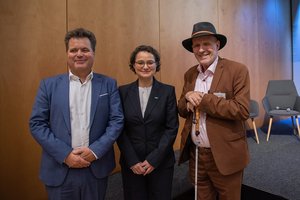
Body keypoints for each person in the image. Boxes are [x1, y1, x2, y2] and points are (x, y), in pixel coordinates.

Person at [29, 28, 124, 200]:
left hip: (95, 167)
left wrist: (95, 151)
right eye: (74, 50)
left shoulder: (109, 84)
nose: (79, 54)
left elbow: (116, 121)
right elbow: (37, 124)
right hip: (60, 169)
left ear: (93, 53)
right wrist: (65, 155)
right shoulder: (48, 85)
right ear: (67, 53)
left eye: (85, 50)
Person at [178, 22, 250, 200]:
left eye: (206, 44)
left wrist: (203, 99)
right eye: (196, 45)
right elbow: (180, 108)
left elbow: (241, 110)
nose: (201, 49)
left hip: (225, 155)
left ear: (217, 45)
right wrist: (187, 100)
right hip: (197, 155)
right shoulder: (190, 74)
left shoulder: (237, 70)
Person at [117, 45, 179, 200]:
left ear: (157, 65)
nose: (145, 66)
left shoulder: (167, 91)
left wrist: (153, 160)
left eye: (150, 62)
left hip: (161, 162)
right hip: (132, 164)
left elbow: (171, 128)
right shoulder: (122, 92)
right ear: (133, 65)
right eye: (140, 62)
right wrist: (132, 161)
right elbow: (119, 128)